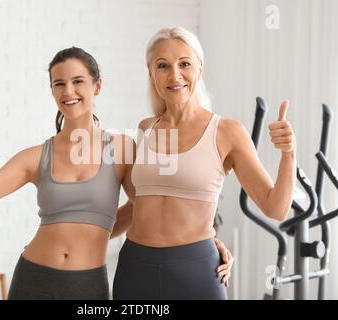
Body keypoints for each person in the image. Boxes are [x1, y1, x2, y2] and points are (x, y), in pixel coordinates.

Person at [0, 46, 234, 300]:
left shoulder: (122, 149)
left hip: (87, 284)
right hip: (33, 277)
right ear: (53, 92)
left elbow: (151, 207)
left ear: (97, 87)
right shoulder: (36, 156)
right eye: (59, 84)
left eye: (77, 81)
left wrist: (205, 243)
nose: (68, 91)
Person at [112, 26, 296, 300]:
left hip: (196, 271)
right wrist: (79, 239)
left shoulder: (226, 132)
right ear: (151, 74)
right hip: (135, 267)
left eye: (184, 63)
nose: (175, 75)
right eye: (163, 66)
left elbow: (276, 208)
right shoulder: (146, 128)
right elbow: (139, 203)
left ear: (200, 68)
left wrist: (288, 152)